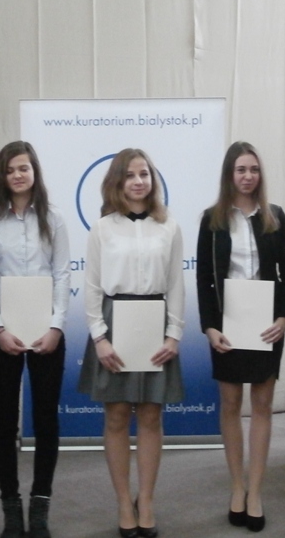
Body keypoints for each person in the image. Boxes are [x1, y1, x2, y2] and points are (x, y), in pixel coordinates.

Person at [78, 148, 184, 538]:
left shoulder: (168, 226)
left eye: (145, 174)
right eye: (130, 175)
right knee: (118, 416)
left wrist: (174, 334)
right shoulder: (102, 228)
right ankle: (125, 501)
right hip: (114, 323)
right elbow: (92, 286)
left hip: (155, 323)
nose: (139, 181)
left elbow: (176, 283)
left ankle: (147, 500)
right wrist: (99, 338)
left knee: (152, 416)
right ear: (117, 182)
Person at [195, 141, 285, 533]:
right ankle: (237, 486)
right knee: (231, 404)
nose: (248, 176)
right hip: (228, 324)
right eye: (241, 169)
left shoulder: (275, 216)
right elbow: (204, 278)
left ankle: (256, 491)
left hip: (267, 322)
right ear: (229, 175)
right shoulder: (212, 219)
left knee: (263, 405)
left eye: (254, 169)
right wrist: (209, 326)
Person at [0, 141, 70, 538]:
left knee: (46, 419)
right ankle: (11, 508)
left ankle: (40, 507)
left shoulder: (54, 218)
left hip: (47, 333)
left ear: (34, 172)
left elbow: (62, 274)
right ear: (2, 175)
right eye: (11, 169)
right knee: (3, 422)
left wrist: (56, 327)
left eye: (24, 168)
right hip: (3, 334)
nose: (17, 175)